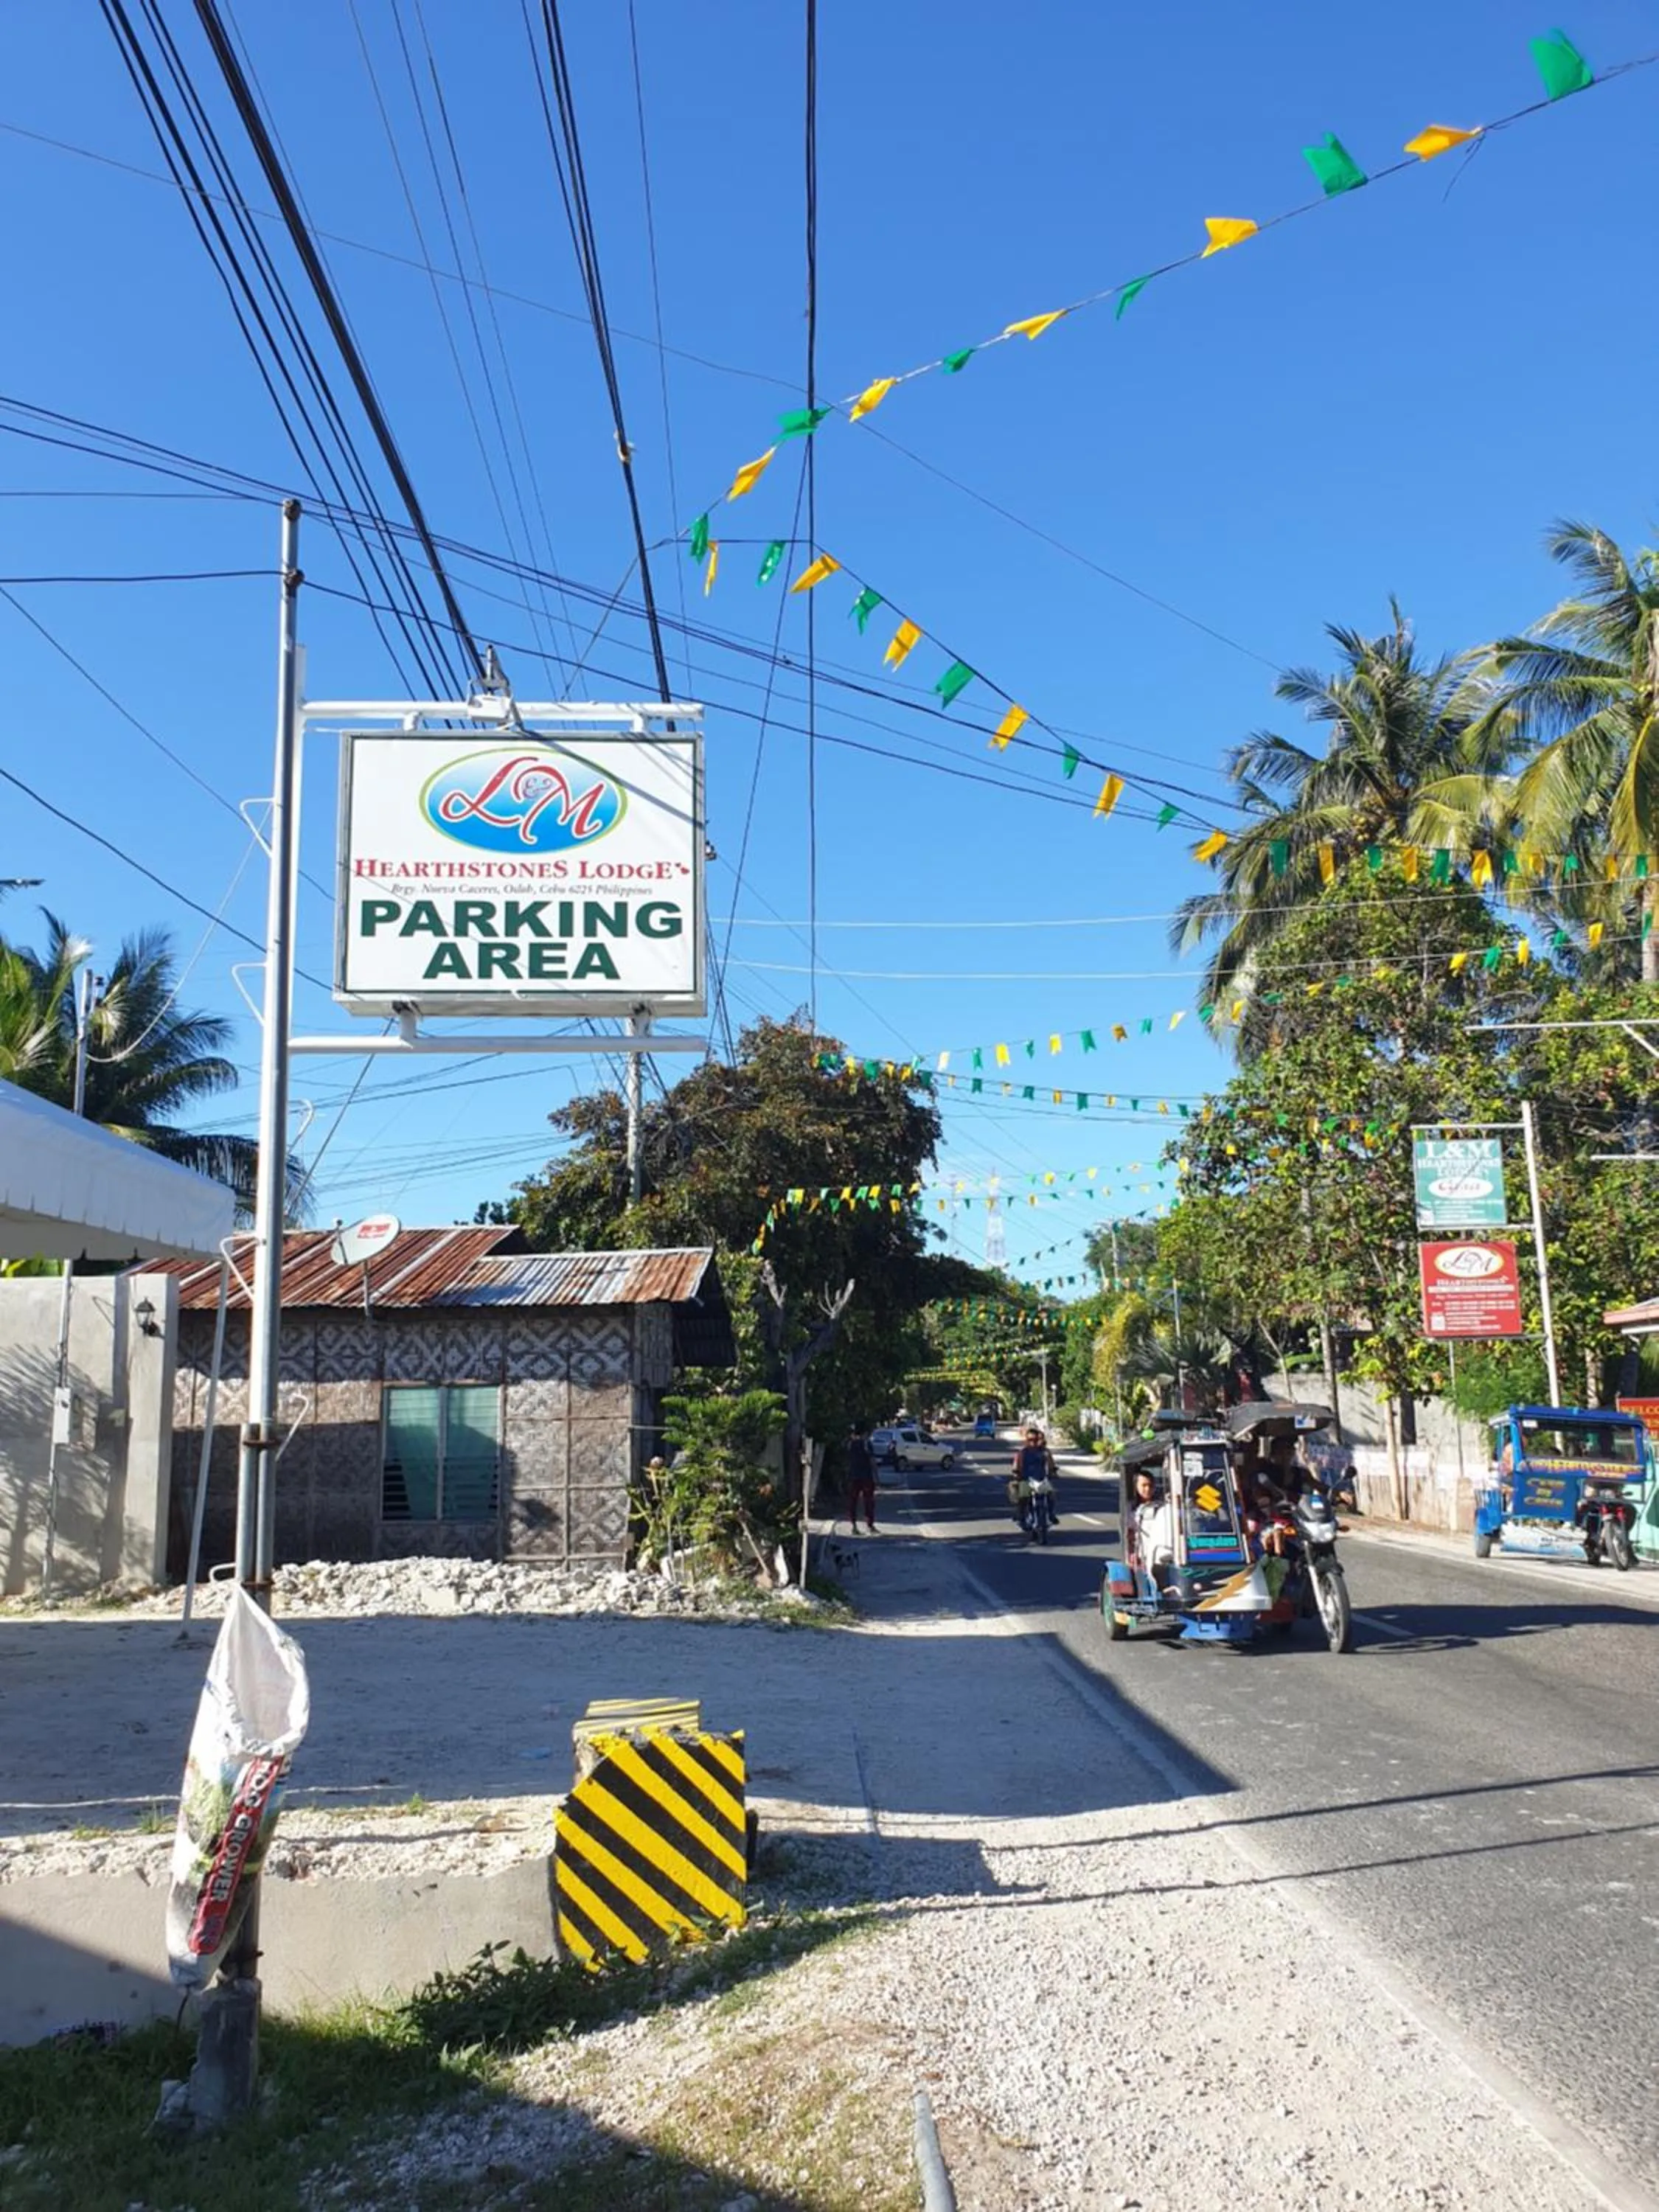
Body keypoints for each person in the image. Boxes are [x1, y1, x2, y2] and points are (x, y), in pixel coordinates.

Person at [1130, 1466, 1175, 1585]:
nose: (1147, 1489)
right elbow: (1130, 1534)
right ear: (1136, 1487)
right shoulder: (1132, 1510)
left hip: (1162, 1551)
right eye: (1144, 1486)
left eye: (1150, 1486)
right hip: (1143, 1554)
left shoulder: (1162, 1507)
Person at [1009, 1425, 1060, 1526]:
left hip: (1041, 1479)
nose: (1033, 1442)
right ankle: (1021, 1517)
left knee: (1051, 1495)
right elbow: (1016, 1465)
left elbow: (1051, 1464)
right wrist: (1016, 1473)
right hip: (1026, 1480)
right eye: (1030, 1440)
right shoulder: (1022, 1453)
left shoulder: (1045, 1452)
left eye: (1035, 1439)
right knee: (1022, 1497)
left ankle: (1051, 1514)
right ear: (1026, 1440)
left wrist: (1052, 1472)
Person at [846, 1422, 877, 1534]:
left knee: (853, 1501)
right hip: (866, 1476)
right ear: (865, 1433)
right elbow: (872, 1461)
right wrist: (876, 1476)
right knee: (868, 1501)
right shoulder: (866, 1444)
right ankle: (870, 1525)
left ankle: (853, 1526)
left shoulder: (850, 1444)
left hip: (853, 1476)